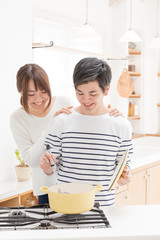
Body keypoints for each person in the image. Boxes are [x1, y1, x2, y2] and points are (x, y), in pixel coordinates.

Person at [10, 63, 123, 205]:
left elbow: (85, 131)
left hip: (74, 187)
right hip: (46, 190)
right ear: (21, 92)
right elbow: (31, 160)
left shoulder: (64, 102)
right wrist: (52, 126)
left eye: (44, 92)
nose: (38, 99)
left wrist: (109, 115)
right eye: (31, 94)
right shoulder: (18, 118)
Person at [40, 57, 133, 207]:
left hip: (103, 209)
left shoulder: (121, 126)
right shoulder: (61, 121)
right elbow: (51, 168)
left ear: (106, 89)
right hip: (65, 206)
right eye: (80, 93)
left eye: (93, 93)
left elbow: (124, 170)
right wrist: (47, 168)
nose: (86, 99)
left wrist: (125, 177)